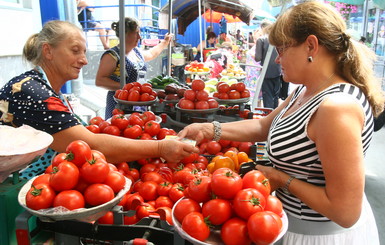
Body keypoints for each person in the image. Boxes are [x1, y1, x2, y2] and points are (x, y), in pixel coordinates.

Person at [178, 2, 384, 244]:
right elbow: (263, 127)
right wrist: (209, 129)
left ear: (311, 45)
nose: (277, 60)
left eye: (282, 49)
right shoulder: (305, 91)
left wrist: (281, 179)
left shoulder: (336, 108)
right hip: (288, 224)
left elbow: (346, 211)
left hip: (318, 237)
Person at [0, 20, 198, 178]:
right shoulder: (33, 91)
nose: (84, 60)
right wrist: (160, 147)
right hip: (16, 190)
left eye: (84, 52)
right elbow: (88, 145)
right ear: (48, 51)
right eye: (75, 50)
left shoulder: (42, 87)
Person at [95, 17, 173, 119]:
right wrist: (129, 88)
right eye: (136, 33)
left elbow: (151, 53)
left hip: (137, 103)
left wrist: (165, 42)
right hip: (119, 104)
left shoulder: (136, 52)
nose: (139, 36)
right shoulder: (112, 55)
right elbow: (100, 81)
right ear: (125, 34)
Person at [255, 20, 282, 109]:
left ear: (263, 28)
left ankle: (267, 117)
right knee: (275, 96)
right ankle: (275, 115)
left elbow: (257, 58)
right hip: (278, 71)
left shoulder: (261, 40)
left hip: (266, 73)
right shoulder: (278, 39)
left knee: (267, 96)